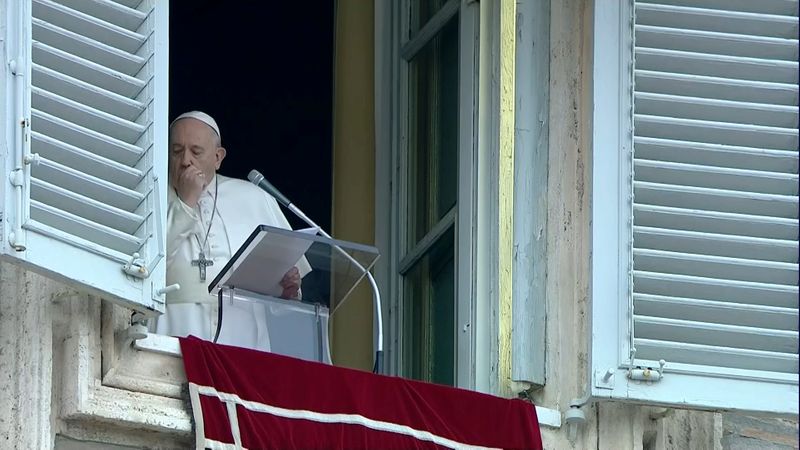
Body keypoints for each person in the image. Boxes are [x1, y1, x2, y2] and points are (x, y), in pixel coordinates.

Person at [152, 111, 310, 347]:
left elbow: (284, 293)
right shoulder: (151, 197)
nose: (185, 160)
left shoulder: (253, 198)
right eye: (176, 151)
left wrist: (288, 291)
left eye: (196, 152)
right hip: (174, 333)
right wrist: (185, 202)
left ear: (218, 157)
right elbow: (147, 268)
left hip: (242, 340)